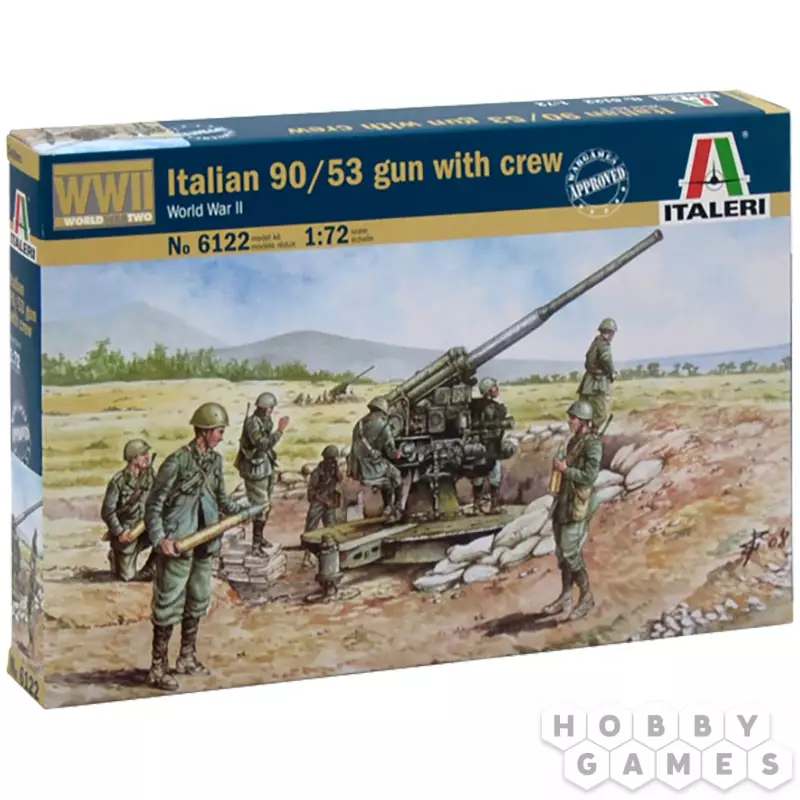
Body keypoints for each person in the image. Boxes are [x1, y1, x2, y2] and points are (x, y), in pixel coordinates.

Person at [144, 402, 247, 692]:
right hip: (177, 544)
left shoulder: (215, 462)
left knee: (198, 599)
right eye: (219, 431)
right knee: (168, 605)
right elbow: (154, 505)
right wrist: (160, 539)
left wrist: (244, 511)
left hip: (204, 543)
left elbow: (221, 499)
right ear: (204, 431)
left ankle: (186, 657)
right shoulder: (176, 462)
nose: (222, 437)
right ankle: (157, 668)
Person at [543, 400, 602, 621]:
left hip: (578, 503)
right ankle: (566, 597)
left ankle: (586, 597)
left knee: (570, 552)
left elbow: (589, 476)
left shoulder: (592, 444)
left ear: (584, 421)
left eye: (573, 418)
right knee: (562, 552)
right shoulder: (573, 442)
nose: (570, 422)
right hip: (564, 501)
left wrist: (566, 470)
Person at [234, 392, 289, 554]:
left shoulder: (264, 421)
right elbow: (262, 444)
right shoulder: (253, 424)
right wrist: (280, 431)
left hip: (265, 467)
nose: (270, 411)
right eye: (269, 408)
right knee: (260, 506)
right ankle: (256, 545)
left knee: (266, 506)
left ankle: (260, 538)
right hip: (254, 470)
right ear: (263, 408)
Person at [100, 439, 157, 581]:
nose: (147, 457)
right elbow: (107, 511)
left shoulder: (150, 475)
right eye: (143, 454)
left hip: (146, 527)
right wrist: (120, 532)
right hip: (128, 533)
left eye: (147, 453)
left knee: (167, 534)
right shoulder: (118, 482)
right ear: (133, 458)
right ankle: (116, 556)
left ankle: (150, 567)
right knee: (127, 577)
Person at [350, 396, 403, 521]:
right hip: (374, 466)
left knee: (387, 482)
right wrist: (398, 454)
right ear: (382, 411)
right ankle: (397, 506)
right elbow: (391, 452)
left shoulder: (359, 424)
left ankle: (388, 507)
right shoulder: (384, 427)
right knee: (397, 475)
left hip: (360, 467)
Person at [470, 377, 508, 513]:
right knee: (488, 477)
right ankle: (489, 505)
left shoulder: (475, 406)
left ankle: (480, 506)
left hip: (485, 448)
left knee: (485, 477)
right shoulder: (494, 408)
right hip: (487, 447)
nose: (496, 389)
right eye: (494, 387)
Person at [577, 318, 618, 432]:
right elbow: (606, 358)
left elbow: (588, 360)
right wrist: (612, 373)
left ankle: (583, 435)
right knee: (601, 414)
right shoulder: (604, 344)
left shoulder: (595, 342)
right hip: (598, 385)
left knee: (584, 414)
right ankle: (593, 435)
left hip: (587, 384)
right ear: (610, 332)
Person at [305, 445, 343, 532]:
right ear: (325, 459)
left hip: (329, 502)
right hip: (318, 502)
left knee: (332, 528)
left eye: (334, 459)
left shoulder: (333, 471)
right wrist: (325, 501)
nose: (332, 462)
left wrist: (336, 468)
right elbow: (311, 492)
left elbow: (340, 480)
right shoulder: (317, 473)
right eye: (331, 459)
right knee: (311, 528)